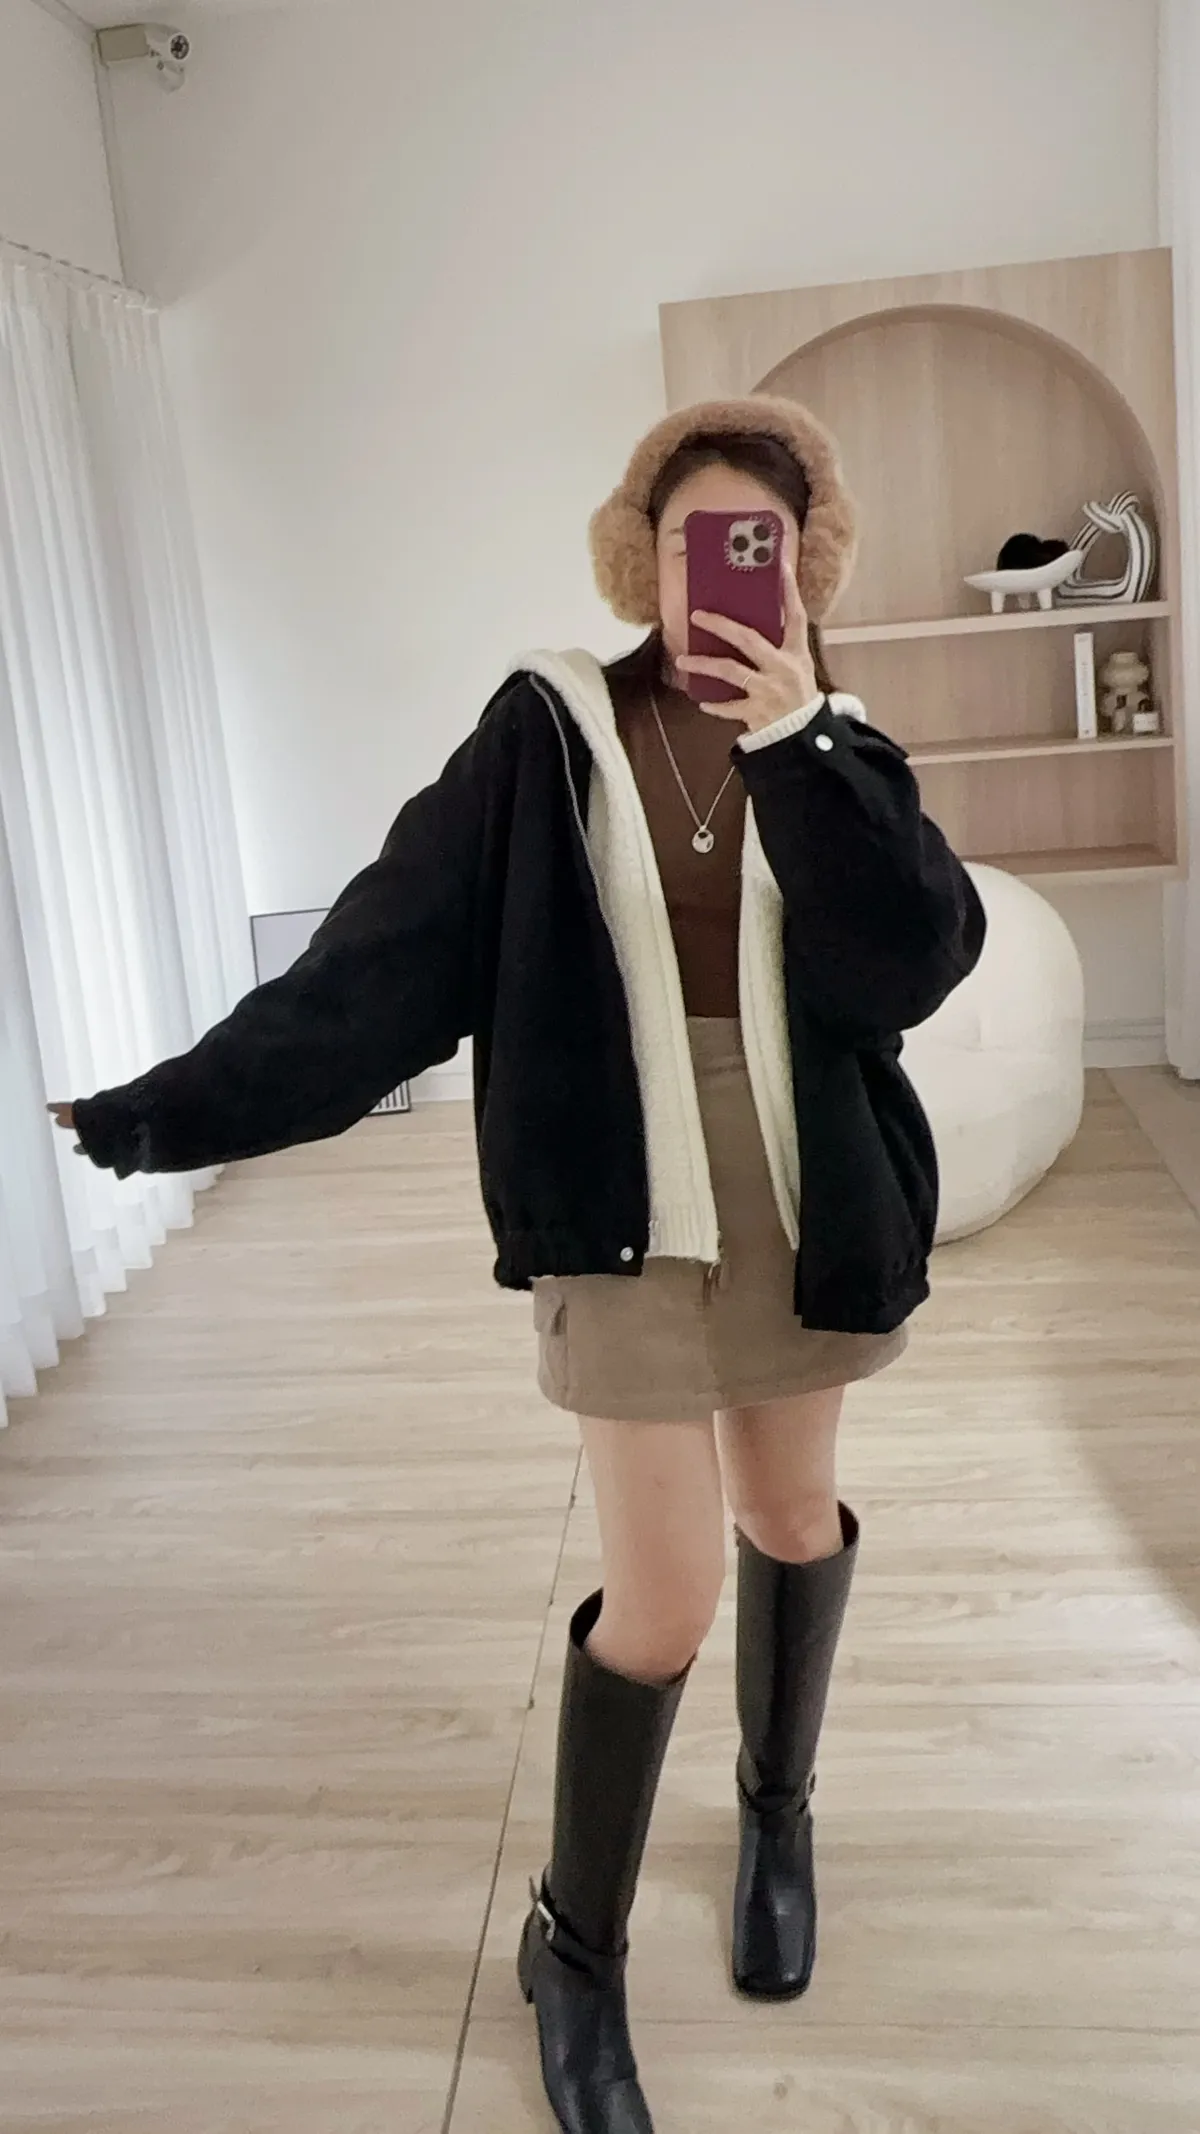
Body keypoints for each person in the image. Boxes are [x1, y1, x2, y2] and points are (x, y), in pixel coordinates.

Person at [50, 394, 986, 2134]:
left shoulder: (843, 745)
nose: (724, 573)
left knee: (792, 1521)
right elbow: (383, 958)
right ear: (642, 555)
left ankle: (776, 1815)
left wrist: (802, 745)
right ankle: (575, 1945)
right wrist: (169, 1110)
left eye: (761, 545)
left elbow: (914, 963)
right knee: (665, 1598)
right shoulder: (547, 729)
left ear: (805, 565)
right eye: (696, 540)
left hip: (806, 1190)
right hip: (614, 1193)